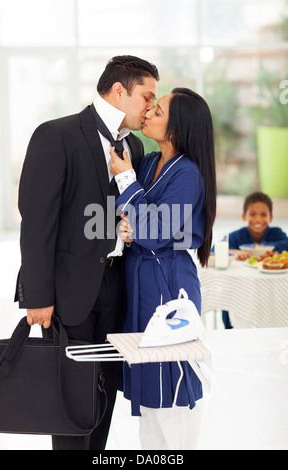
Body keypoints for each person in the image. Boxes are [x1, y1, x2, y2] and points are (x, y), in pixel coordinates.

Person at [14, 55, 159, 450]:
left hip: (116, 289)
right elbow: (37, 221)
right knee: (68, 403)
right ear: (118, 90)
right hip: (67, 292)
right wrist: (38, 296)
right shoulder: (56, 134)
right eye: (146, 97)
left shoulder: (137, 149)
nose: (151, 108)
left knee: (102, 399)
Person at [110, 88, 216, 450]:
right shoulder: (148, 161)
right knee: (150, 394)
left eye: (159, 109)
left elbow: (155, 230)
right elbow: (132, 221)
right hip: (141, 281)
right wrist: (128, 228)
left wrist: (126, 183)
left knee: (173, 385)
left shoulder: (187, 173)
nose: (149, 112)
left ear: (178, 127)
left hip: (169, 284)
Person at [222, 191, 288, 329]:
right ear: (244, 216)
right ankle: (231, 328)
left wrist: (268, 251)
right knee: (228, 299)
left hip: (269, 293)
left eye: (263, 215)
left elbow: (285, 245)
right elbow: (218, 249)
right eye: (252, 214)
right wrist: (236, 253)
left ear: (271, 218)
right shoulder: (236, 236)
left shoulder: (277, 234)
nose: (258, 219)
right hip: (242, 292)